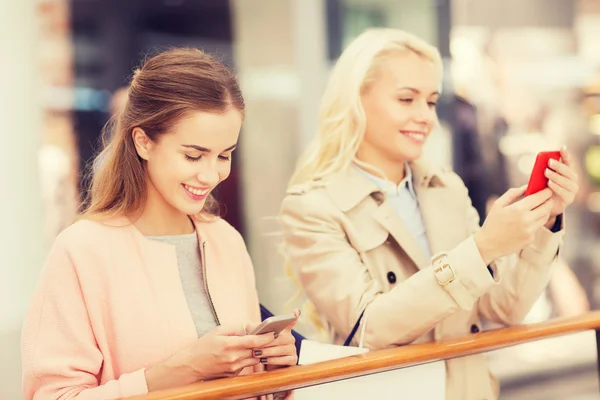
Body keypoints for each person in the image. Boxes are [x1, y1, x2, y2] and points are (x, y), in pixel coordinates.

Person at [279, 29, 578, 400]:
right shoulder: (312, 206)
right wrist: (482, 248)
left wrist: (545, 223)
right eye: (407, 99)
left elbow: (507, 308)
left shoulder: (446, 189)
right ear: (355, 100)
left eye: (432, 102)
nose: (425, 117)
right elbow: (370, 328)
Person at [22, 48, 298, 400]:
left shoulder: (225, 240)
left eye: (224, 155)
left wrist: (275, 374)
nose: (211, 173)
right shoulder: (82, 251)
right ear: (143, 142)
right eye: (193, 155)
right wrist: (180, 371)